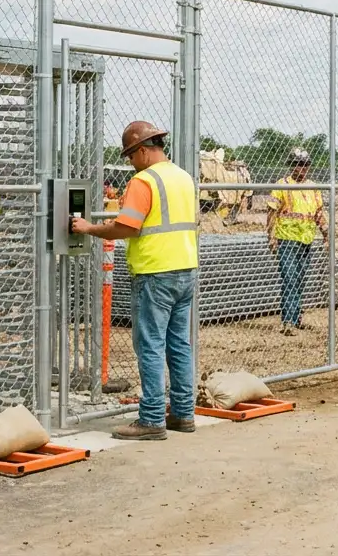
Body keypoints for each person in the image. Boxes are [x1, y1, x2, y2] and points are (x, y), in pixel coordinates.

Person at [71, 121, 198, 441]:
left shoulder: (144, 181)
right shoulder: (183, 177)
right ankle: (183, 414)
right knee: (178, 345)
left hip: (155, 273)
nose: (130, 161)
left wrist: (88, 229)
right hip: (185, 269)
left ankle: (152, 419)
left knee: (151, 346)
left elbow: (127, 227)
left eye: (130, 155)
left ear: (143, 150)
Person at [267, 148, 327, 336]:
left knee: (299, 279)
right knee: (290, 278)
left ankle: (296, 316)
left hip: (306, 239)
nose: (302, 168)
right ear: (292, 166)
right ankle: (288, 321)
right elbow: (271, 212)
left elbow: (318, 213)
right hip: (287, 238)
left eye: (305, 164)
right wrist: (271, 236)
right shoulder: (282, 185)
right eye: (298, 164)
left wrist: (326, 233)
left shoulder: (313, 186)